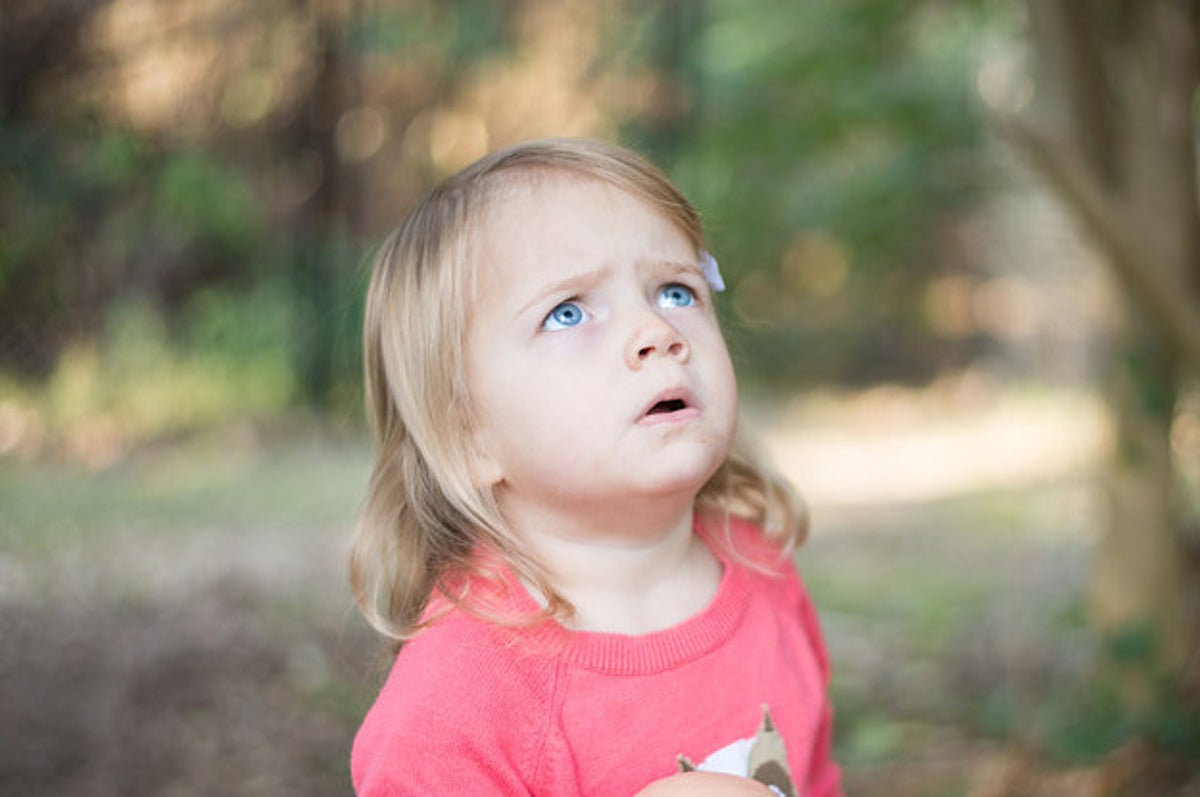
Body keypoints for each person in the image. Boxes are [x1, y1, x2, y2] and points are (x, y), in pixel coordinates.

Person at [349, 137, 843, 797]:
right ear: (465, 437)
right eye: (569, 312)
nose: (658, 332)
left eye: (675, 290)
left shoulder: (764, 571)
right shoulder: (457, 703)